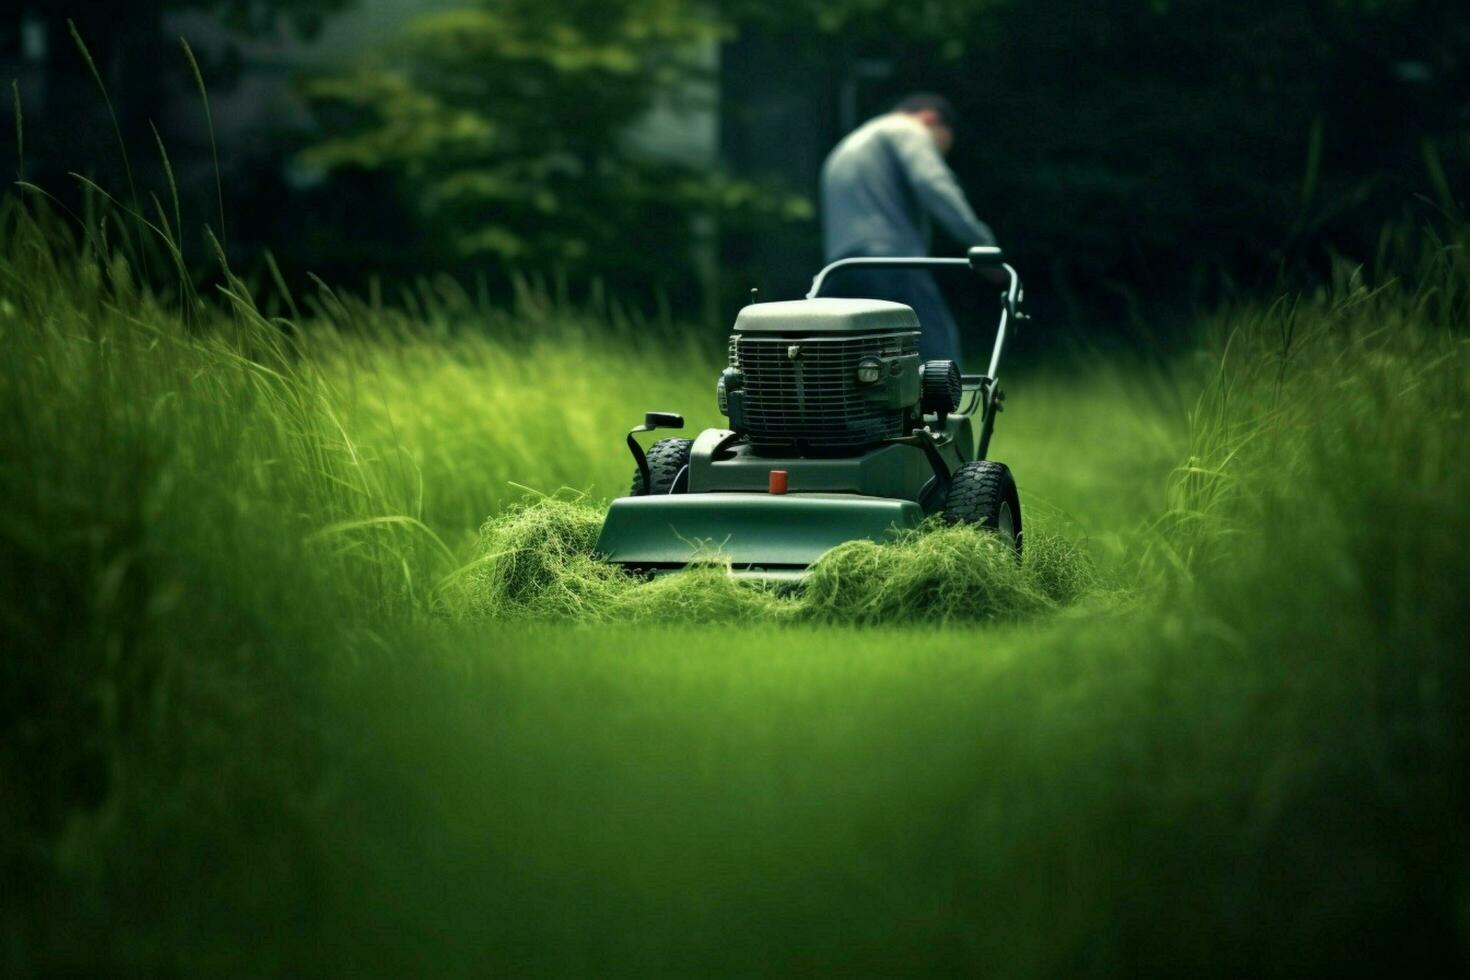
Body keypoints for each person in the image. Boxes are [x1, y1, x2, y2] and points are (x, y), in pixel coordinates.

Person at [818, 93, 998, 363]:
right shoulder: (907, 129)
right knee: (937, 360)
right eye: (939, 148)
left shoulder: (847, 147)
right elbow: (934, 184)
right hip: (893, 263)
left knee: (856, 369)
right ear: (931, 118)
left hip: (840, 271)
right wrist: (983, 244)